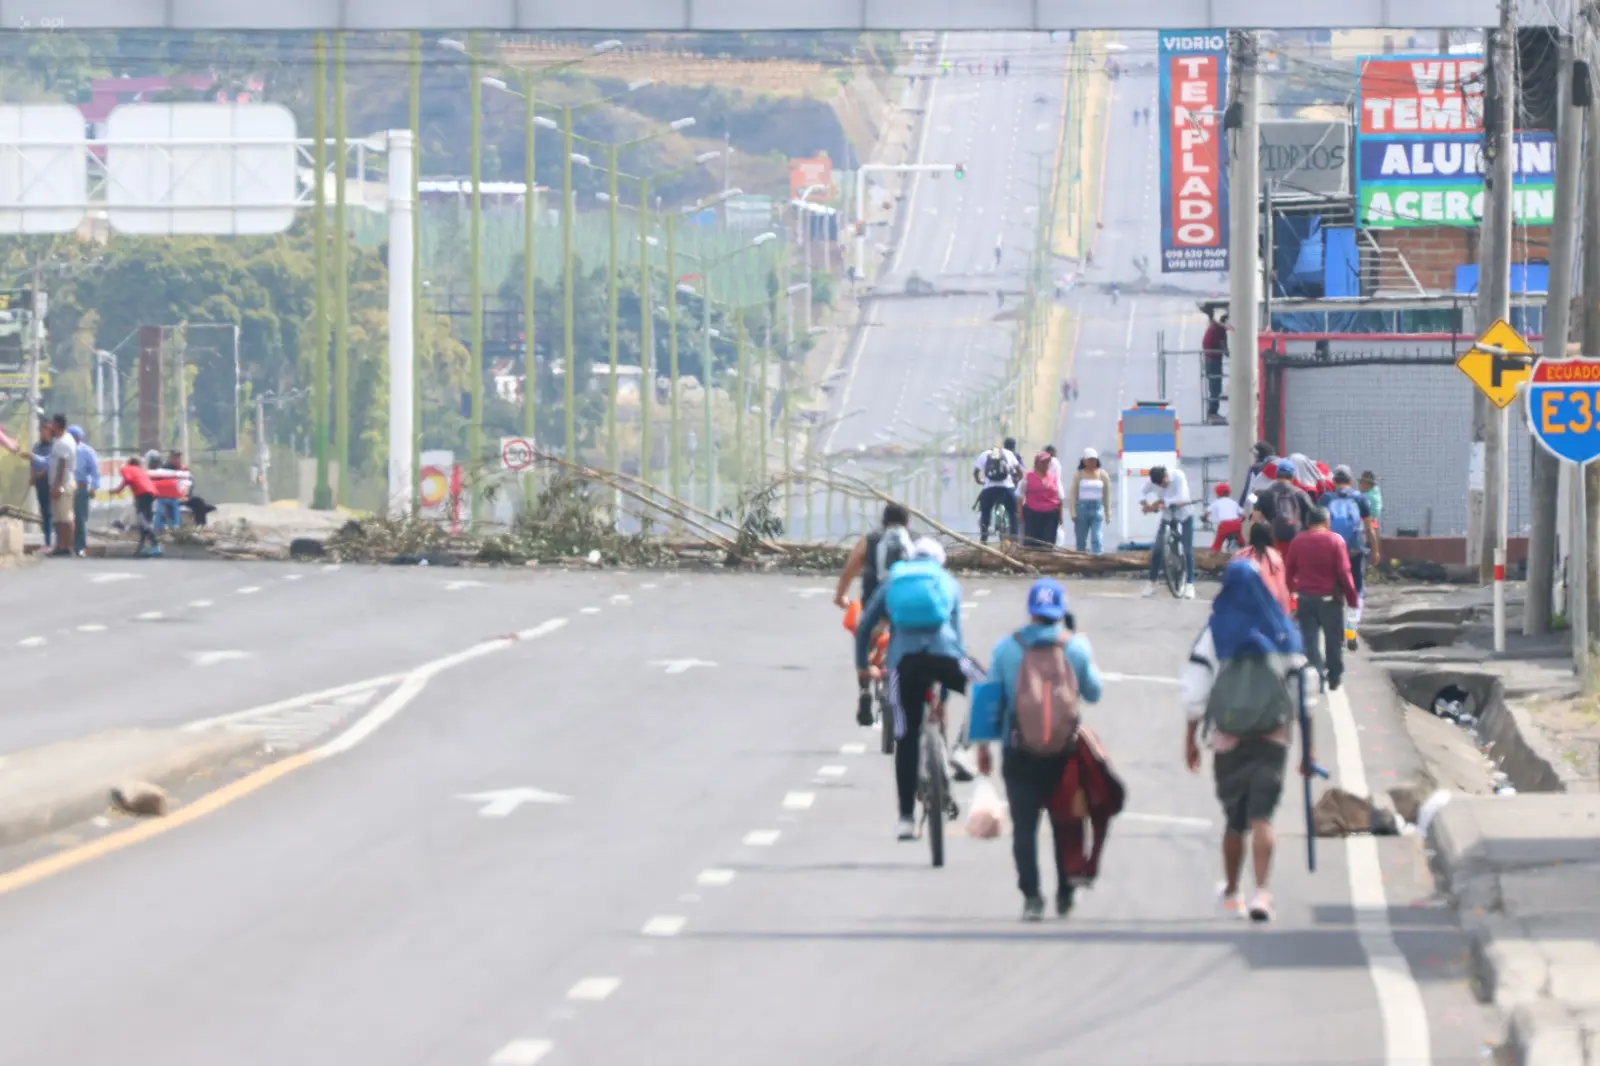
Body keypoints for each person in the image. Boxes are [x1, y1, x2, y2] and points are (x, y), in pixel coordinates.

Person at [1182, 561, 1312, 923]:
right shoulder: (1280, 627)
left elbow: (1196, 691)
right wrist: (1308, 749)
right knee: (1263, 816)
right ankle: (1263, 895)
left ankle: (1232, 893)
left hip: (1229, 737)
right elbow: (1304, 691)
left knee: (1235, 820)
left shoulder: (1215, 632)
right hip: (1273, 735)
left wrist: (1190, 740)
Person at [977, 579, 1105, 920]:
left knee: (1024, 828)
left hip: (1018, 751)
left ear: (1031, 611)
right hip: (1065, 754)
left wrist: (983, 747)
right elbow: (1094, 692)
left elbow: (990, 699)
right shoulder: (1075, 647)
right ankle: (1065, 893)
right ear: (1060, 612)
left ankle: (1032, 898)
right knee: (1067, 824)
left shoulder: (1007, 648)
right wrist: (1083, 650)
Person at [855, 536, 970, 841]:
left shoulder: (894, 579)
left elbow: (865, 626)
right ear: (940, 562)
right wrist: (944, 696)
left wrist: (862, 666)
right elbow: (957, 638)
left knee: (904, 736)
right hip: (944, 659)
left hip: (901, 665)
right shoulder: (948, 581)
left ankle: (906, 818)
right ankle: (962, 749)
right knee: (991, 688)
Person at [835, 503, 915, 725]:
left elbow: (849, 570)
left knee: (865, 638)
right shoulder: (917, 541)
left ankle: (864, 689)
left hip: (875, 605)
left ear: (883, 521)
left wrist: (840, 596)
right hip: (908, 607)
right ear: (908, 522)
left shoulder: (869, 540)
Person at [1286, 506, 1359, 692]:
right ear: (1327, 522)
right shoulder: (1336, 540)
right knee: (1333, 640)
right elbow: (1344, 572)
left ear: (1308, 523)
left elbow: (1289, 571)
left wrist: (1291, 591)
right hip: (1330, 600)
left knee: (1309, 640)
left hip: (1305, 598)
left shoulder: (1297, 541)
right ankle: (1334, 677)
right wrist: (1352, 598)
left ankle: (1316, 674)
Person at [1320, 465, 1380, 652]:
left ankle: (1337, 634)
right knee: (1356, 591)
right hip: (1354, 550)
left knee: (1334, 592)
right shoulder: (1360, 499)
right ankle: (1351, 631)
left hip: (1331, 551)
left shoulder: (1326, 498)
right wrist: (1375, 550)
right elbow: (1369, 528)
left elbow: (1317, 528)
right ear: (1351, 481)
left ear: (1334, 481)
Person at [1140, 464, 1195, 598]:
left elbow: (1181, 497)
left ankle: (1190, 584)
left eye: (1165, 483)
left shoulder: (1178, 476)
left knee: (1187, 550)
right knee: (1158, 549)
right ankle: (1152, 582)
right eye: (1161, 485)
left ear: (1166, 475)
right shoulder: (1151, 482)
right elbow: (1141, 493)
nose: (1164, 486)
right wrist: (1145, 504)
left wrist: (1160, 502)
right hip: (1168, 516)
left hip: (1184, 514)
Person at [1253, 460, 1314, 555]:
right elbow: (1313, 517)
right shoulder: (1301, 494)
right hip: (1298, 540)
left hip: (1274, 541)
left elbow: (1256, 519)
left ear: (1276, 475)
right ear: (1293, 476)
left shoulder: (1264, 495)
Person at [1235, 520, 1293, 616]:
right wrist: (1285, 612)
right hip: (1269, 604)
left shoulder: (1241, 555)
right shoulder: (1274, 557)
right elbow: (1281, 586)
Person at [973, 437, 1023, 544]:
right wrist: (1016, 482)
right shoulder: (1009, 454)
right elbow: (1020, 472)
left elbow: (976, 473)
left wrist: (980, 481)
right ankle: (1015, 541)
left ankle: (983, 539)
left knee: (985, 512)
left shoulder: (984, 454)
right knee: (1014, 512)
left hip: (989, 490)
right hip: (1007, 488)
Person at [111, 454, 161, 557]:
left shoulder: (127, 469)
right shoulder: (141, 471)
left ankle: (155, 542)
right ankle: (141, 548)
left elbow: (127, 479)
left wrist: (117, 490)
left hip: (142, 495)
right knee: (145, 521)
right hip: (152, 494)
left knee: (142, 520)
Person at [45, 414, 77, 557]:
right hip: (57, 483)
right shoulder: (60, 440)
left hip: (63, 483)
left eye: (52, 424)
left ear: (57, 425)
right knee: (58, 518)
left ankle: (69, 547)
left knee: (66, 517)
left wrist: (57, 486)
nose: (50, 426)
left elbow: (62, 466)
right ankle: (60, 546)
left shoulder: (63, 442)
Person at [1070, 447, 1112, 553]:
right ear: (1084, 461)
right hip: (1082, 509)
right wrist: (1073, 512)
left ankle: (1097, 559)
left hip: (1097, 509)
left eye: (1094, 460)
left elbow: (1107, 495)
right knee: (1081, 540)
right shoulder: (1079, 475)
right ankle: (1081, 559)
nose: (1092, 462)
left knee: (1096, 538)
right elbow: (1073, 494)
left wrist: (1107, 513)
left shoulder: (1103, 475)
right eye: (1089, 460)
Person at [1019, 451, 1063, 549]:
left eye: (1047, 462)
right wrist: (1020, 513)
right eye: (1043, 462)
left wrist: (1060, 515)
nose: (1046, 465)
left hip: (1050, 514)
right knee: (1032, 542)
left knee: (1047, 543)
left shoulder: (1054, 477)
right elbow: (1020, 496)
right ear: (1036, 464)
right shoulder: (1028, 477)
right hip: (1032, 513)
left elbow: (1060, 497)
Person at [68, 426, 99, 557]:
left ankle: (80, 547)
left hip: (81, 488)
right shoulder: (63, 448)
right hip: (66, 488)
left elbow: (95, 472)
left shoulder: (87, 451)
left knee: (80, 519)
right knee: (65, 518)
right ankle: (65, 545)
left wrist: (93, 487)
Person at [1201, 309, 1228, 424]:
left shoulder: (1213, 328)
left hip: (1210, 360)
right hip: (1213, 361)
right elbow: (1224, 347)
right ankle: (1212, 412)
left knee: (1214, 387)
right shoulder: (1219, 330)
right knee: (1215, 388)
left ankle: (1212, 411)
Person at [30, 428, 52, 549]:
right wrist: (33, 476)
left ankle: (51, 542)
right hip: (40, 484)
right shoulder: (36, 447)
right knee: (44, 513)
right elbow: (32, 463)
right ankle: (47, 540)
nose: (43, 434)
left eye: (45, 432)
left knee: (50, 513)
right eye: (41, 432)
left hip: (51, 483)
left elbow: (51, 464)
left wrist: (41, 474)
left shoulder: (54, 447)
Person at [1238, 441, 1277, 509]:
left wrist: (1240, 507)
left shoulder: (1255, 468)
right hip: (1278, 505)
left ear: (1258, 454)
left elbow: (1247, 491)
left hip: (1261, 507)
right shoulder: (1279, 465)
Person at [1208, 481, 1243, 551]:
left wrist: (1203, 518)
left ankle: (1214, 554)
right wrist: (1240, 521)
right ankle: (1244, 550)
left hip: (1224, 525)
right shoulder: (1233, 502)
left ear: (1217, 494)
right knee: (1241, 541)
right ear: (1229, 493)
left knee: (1217, 544)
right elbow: (1243, 515)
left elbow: (1206, 513)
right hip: (1236, 523)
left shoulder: (1216, 503)